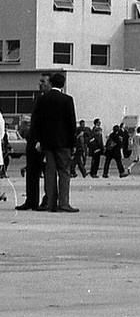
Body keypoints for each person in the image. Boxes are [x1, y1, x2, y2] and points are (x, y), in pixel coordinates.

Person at [29, 72, 78, 212]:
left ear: (51, 83)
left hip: (47, 143)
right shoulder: (67, 99)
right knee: (64, 172)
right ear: (63, 84)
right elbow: (71, 123)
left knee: (50, 172)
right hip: (63, 143)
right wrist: (73, 143)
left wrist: (38, 140)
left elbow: (38, 122)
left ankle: (51, 203)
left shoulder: (43, 100)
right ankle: (64, 203)